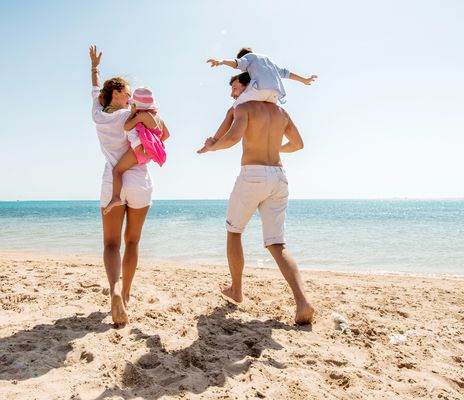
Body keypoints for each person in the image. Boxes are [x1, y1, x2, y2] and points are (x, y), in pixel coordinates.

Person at [197, 72, 315, 324]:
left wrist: (211, 147)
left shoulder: (245, 107)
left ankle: (236, 289)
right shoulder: (281, 113)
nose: (232, 94)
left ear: (250, 85)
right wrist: (272, 147)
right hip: (279, 176)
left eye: (235, 88)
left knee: (234, 231)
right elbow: (297, 144)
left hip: (253, 175)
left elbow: (232, 138)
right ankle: (303, 302)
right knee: (276, 243)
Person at [89, 45, 158, 324]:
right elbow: (157, 132)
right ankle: (126, 296)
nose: (130, 97)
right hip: (138, 178)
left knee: (110, 243)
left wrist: (94, 68)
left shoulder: (98, 113)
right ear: (116, 94)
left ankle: (115, 290)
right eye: (127, 92)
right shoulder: (128, 117)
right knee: (132, 241)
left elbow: (95, 91)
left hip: (112, 180)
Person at [103, 87, 169, 215]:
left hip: (138, 152)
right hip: (147, 155)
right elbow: (166, 135)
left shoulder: (142, 116)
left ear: (136, 104)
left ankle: (116, 197)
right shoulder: (159, 118)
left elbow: (126, 127)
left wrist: (132, 113)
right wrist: (152, 145)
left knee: (117, 171)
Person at [207, 47, 317, 108]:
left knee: (235, 108)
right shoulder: (268, 59)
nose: (243, 71)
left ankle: (217, 139)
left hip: (261, 89)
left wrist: (222, 61)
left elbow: (237, 63)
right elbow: (285, 73)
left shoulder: (248, 57)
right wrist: (304, 80)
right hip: (275, 94)